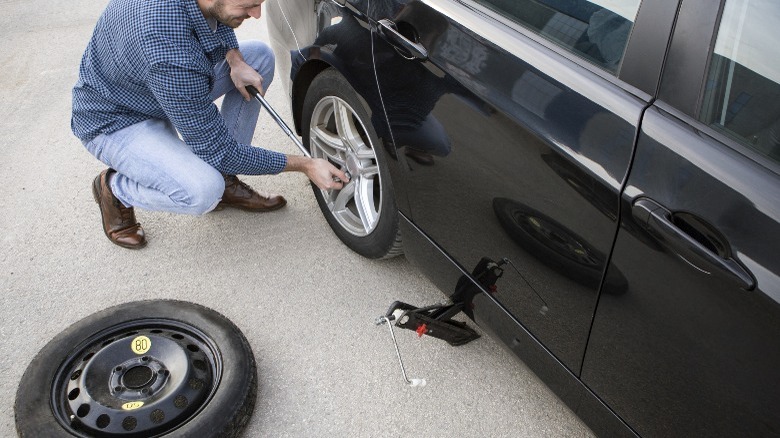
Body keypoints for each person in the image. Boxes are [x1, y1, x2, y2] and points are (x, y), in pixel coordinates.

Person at [71, 0, 347, 249]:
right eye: (249, 5)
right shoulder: (168, 48)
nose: (256, 13)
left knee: (258, 57)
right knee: (203, 191)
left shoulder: (207, 7)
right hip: (118, 118)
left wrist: (235, 60)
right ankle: (115, 189)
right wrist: (306, 165)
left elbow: (216, 17)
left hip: (151, 85)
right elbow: (218, 150)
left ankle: (226, 179)